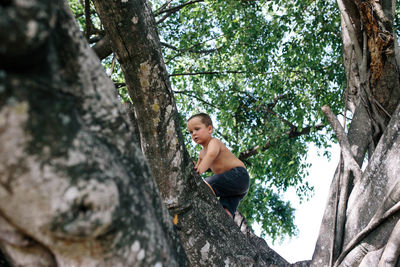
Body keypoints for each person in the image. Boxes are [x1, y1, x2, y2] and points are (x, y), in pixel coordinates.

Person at [187, 113, 250, 219]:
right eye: (191, 132)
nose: (194, 134)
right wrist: (194, 167)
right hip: (231, 189)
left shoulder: (214, 142)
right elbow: (197, 169)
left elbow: (211, 155)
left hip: (238, 176)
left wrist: (199, 170)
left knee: (205, 185)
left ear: (209, 129)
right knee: (224, 214)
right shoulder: (202, 154)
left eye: (197, 129)